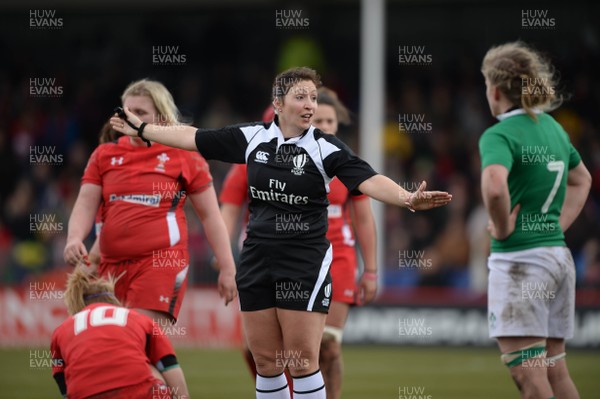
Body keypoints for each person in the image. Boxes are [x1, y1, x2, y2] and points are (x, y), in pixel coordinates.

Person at [110, 67, 452, 399]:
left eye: (313, 98)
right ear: (278, 103)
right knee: (266, 363)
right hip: (257, 260)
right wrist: (142, 129)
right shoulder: (252, 137)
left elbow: (370, 179)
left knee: (302, 363)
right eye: (300, 96)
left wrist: (407, 198)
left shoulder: (325, 148)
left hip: (303, 263)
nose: (310, 105)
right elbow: (192, 136)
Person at [218, 87, 377, 399]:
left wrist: (370, 269)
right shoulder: (257, 160)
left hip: (335, 256)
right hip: (273, 255)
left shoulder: (341, 159)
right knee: (262, 352)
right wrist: (223, 256)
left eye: (332, 120)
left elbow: (364, 218)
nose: (326, 126)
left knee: (323, 346)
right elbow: (229, 207)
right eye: (320, 119)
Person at [64, 79, 237, 334]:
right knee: (111, 351)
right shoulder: (104, 155)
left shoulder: (184, 155)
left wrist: (227, 267)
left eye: (141, 113)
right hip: (110, 267)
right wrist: (74, 238)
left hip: (161, 264)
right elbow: (85, 203)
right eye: (127, 112)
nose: (132, 118)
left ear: (161, 118)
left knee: (138, 340)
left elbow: (211, 216)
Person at [479, 41, 591, 399]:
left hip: (521, 263)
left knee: (531, 378)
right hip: (558, 259)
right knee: (556, 372)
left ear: (495, 90)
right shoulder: (553, 129)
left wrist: (504, 226)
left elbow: (495, 187)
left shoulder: (499, 134)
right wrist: (555, 227)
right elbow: (582, 179)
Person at [51, 268, 190, 399]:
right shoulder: (139, 319)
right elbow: (169, 366)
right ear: (114, 301)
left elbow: (63, 385)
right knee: (151, 367)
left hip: (86, 394)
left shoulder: (60, 331)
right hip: (137, 391)